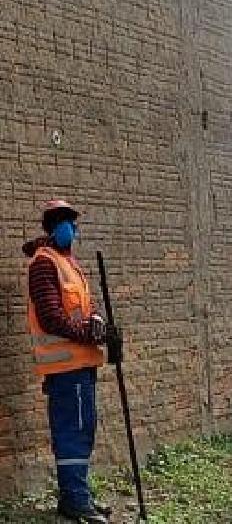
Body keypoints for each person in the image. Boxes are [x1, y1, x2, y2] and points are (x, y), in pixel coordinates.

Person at [23, 200, 114, 523]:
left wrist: (100, 320)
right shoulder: (43, 264)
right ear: (53, 226)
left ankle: (77, 495)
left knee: (84, 429)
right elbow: (51, 318)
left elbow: (87, 309)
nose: (73, 229)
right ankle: (75, 502)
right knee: (72, 432)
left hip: (82, 364)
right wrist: (89, 334)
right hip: (64, 366)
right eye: (67, 222)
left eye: (74, 223)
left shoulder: (69, 262)